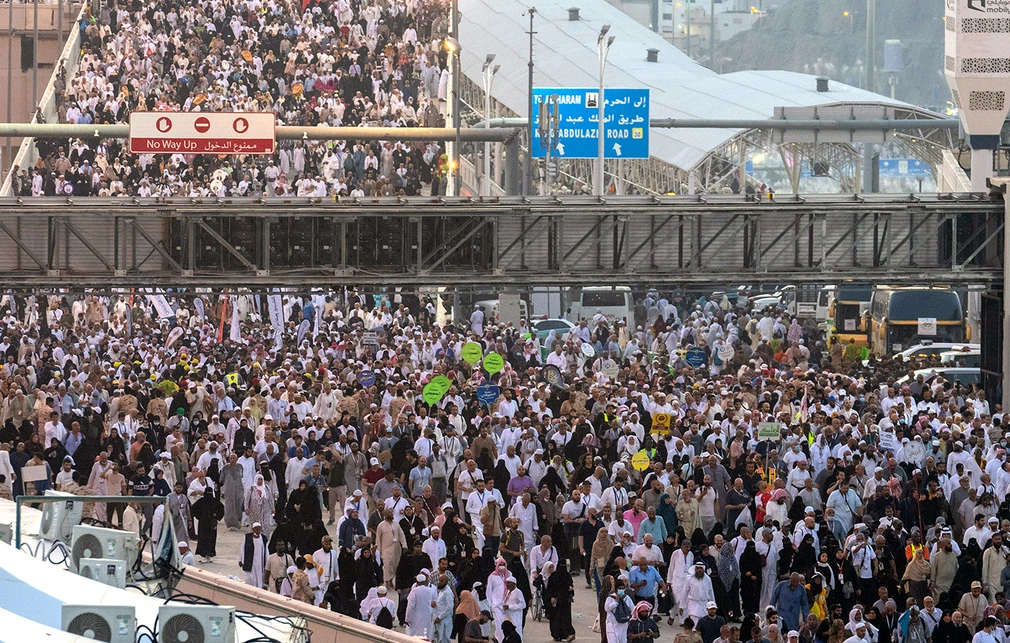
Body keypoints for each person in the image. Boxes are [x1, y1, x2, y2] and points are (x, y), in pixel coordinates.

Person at [545, 560, 576, 642]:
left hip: (565, 601)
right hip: (556, 601)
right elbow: (550, 589)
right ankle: (556, 635)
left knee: (566, 618)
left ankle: (568, 634)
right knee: (556, 618)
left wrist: (570, 588)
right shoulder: (553, 576)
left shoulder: (567, 575)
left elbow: (570, 584)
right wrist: (551, 597)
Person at [239, 523, 268, 589]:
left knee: (259, 578)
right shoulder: (247, 537)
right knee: (250, 579)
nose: (258, 531)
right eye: (256, 529)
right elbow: (242, 548)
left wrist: (267, 562)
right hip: (250, 562)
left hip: (260, 563)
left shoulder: (263, 538)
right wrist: (240, 560)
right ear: (253, 529)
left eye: (259, 529)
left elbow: (266, 551)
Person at [606, 578, 636, 643]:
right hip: (612, 624)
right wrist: (616, 602)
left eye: (623, 588)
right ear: (616, 589)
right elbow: (606, 608)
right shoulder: (610, 598)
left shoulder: (627, 598)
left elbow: (633, 609)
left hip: (623, 625)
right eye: (620, 588)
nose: (621, 590)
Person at [406, 573, 435, 638]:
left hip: (415, 618)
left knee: (415, 637)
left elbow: (410, 607)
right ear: (425, 581)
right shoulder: (430, 590)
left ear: (417, 582)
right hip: (427, 618)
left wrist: (408, 619)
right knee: (425, 636)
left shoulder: (414, 591)